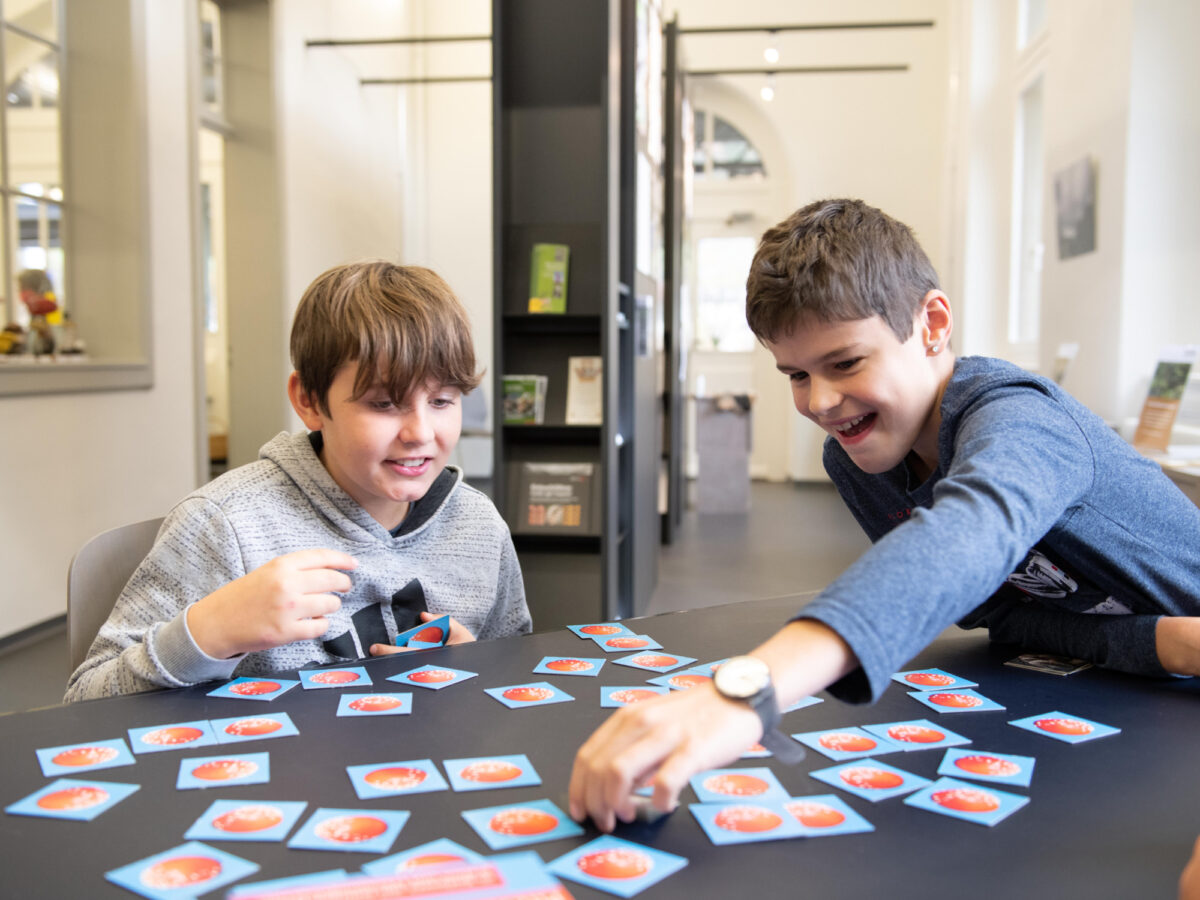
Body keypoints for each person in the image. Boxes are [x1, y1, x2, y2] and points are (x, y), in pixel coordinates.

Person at [569, 197, 1200, 831]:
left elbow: (965, 536)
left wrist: (742, 695)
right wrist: (1158, 643)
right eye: (795, 374)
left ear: (931, 323)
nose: (820, 401)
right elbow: (1002, 617)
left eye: (845, 363)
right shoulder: (855, 462)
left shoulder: (1021, 420)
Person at [66, 261, 531, 702]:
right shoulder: (226, 526)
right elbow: (85, 701)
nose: (420, 434)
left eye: (443, 401)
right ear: (309, 401)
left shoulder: (477, 524)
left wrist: (476, 664)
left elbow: (517, 673)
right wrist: (209, 632)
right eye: (385, 404)